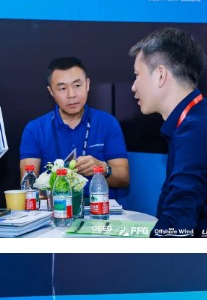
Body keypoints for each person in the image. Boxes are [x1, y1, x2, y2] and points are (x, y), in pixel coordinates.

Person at [129, 28, 207, 237]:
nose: (133, 86)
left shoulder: (199, 130)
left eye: (137, 75)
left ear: (160, 75)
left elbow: (176, 225)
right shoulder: (193, 122)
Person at [20, 56, 129, 198]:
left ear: (87, 84)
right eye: (62, 88)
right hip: (55, 207)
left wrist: (103, 169)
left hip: (98, 207)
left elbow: (124, 178)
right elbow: (28, 186)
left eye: (77, 86)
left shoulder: (108, 123)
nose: (71, 95)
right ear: (51, 91)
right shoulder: (35, 129)